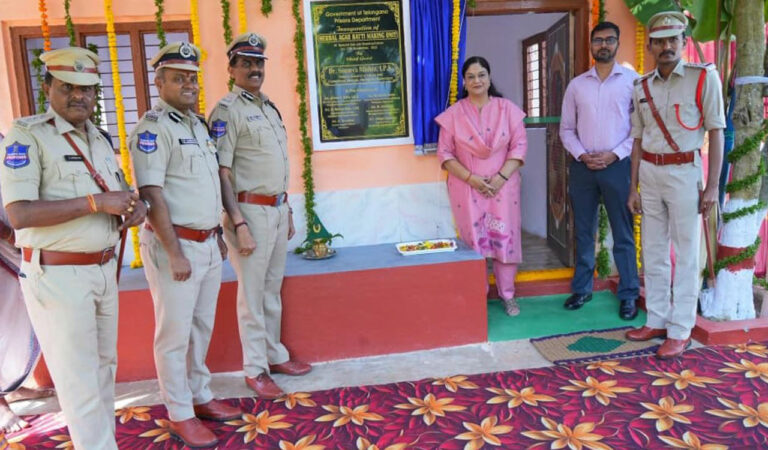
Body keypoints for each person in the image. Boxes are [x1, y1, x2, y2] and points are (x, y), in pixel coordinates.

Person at [0, 47, 147, 448]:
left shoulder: (98, 138)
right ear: (48, 86)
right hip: (59, 276)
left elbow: (115, 194)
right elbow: (18, 214)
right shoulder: (27, 136)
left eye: (87, 88)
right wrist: (95, 204)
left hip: (101, 270)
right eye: (68, 87)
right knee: (79, 377)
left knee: (103, 370)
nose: (79, 96)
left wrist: (135, 207)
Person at [129, 42, 241, 448]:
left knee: (200, 327)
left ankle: (200, 395)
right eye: (179, 78)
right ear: (159, 82)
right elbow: (152, 194)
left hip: (208, 244)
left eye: (192, 77)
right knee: (174, 335)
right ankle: (179, 412)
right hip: (175, 246)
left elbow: (208, 184)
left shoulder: (196, 125)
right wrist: (174, 250)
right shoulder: (152, 129)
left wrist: (218, 235)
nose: (189, 84)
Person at [208, 32, 311, 400]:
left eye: (258, 63)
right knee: (252, 295)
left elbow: (277, 166)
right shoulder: (227, 111)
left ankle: (273, 354)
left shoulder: (269, 107)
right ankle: (254, 369)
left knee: (270, 290)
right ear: (232, 68)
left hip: (276, 208)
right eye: (246, 63)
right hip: (248, 213)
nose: (254, 69)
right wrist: (237, 222)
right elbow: (222, 171)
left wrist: (288, 210)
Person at [625, 12, 725, 358]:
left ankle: (680, 329)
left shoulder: (702, 78)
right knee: (652, 250)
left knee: (685, 254)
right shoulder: (641, 86)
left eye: (673, 40)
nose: (666, 46)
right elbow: (637, 140)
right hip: (650, 174)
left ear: (683, 43)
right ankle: (656, 318)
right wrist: (633, 187)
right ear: (650, 46)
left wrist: (712, 186)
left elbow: (716, 130)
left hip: (685, 173)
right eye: (660, 41)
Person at [559, 21, 640, 319]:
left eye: (609, 40)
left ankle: (629, 294)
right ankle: (582, 289)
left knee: (623, 232)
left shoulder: (634, 82)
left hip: (618, 167)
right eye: (598, 40)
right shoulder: (577, 85)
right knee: (583, 230)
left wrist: (613, 155)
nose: (603, 45)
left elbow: (639, 131)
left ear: (617, 44)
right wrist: (583, 155)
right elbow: (566, 129)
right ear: (591, 45)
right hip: (583, 168)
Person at [435, 56, 527, 316]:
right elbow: (445, 154)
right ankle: (478, 296)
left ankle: (507, 295)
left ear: (489, 78)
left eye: (482, 75)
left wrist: (500, 178)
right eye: (471, 76)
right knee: (474, 242)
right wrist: (472, 179)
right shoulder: (453, 115)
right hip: (467, 187)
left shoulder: (507, 109)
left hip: (503, 187)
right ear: (464, 82)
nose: (477, 80)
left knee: (504, 240)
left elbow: (519, 146)